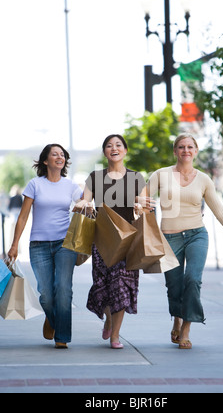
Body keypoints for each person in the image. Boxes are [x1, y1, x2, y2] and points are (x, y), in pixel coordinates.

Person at [147, 133, 223, 350]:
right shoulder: (160, 175)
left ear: (196, 151)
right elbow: (142, 197)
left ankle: (186, 327)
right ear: (175, 151)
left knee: (192, 279)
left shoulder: (203, 179)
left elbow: (219, 210)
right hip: (168, 238)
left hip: (196, 235)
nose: (186, 150)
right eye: (181, 147)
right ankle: (177, 317)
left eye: (190, 147)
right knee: (174, 286)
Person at [75, 135, 152, 349]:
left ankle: (115, 335)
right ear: (104, 152)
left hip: (128, 239)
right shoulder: (95, 177)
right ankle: (108, 318)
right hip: (102, 238)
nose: (114, 148)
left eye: (118, 145)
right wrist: (83, 202)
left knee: (122, 285)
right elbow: (86, 199)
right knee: (102, 286)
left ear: (125, 151)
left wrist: (140, 206)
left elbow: (144, 208)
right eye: (109, 146)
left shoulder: (137, 178)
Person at [8, 144, 82, 349]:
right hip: (39, 245)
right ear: (45, 161)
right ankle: (52, 318)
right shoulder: (34, 184)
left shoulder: (71, 186)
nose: (60, 157)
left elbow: (86, 204)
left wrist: (84, 204)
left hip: (65, 244)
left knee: (64, 289)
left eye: (62, 155)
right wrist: (14, 245)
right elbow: (23, 217)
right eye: (55, 154)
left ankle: (62, 337)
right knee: (46, 294)